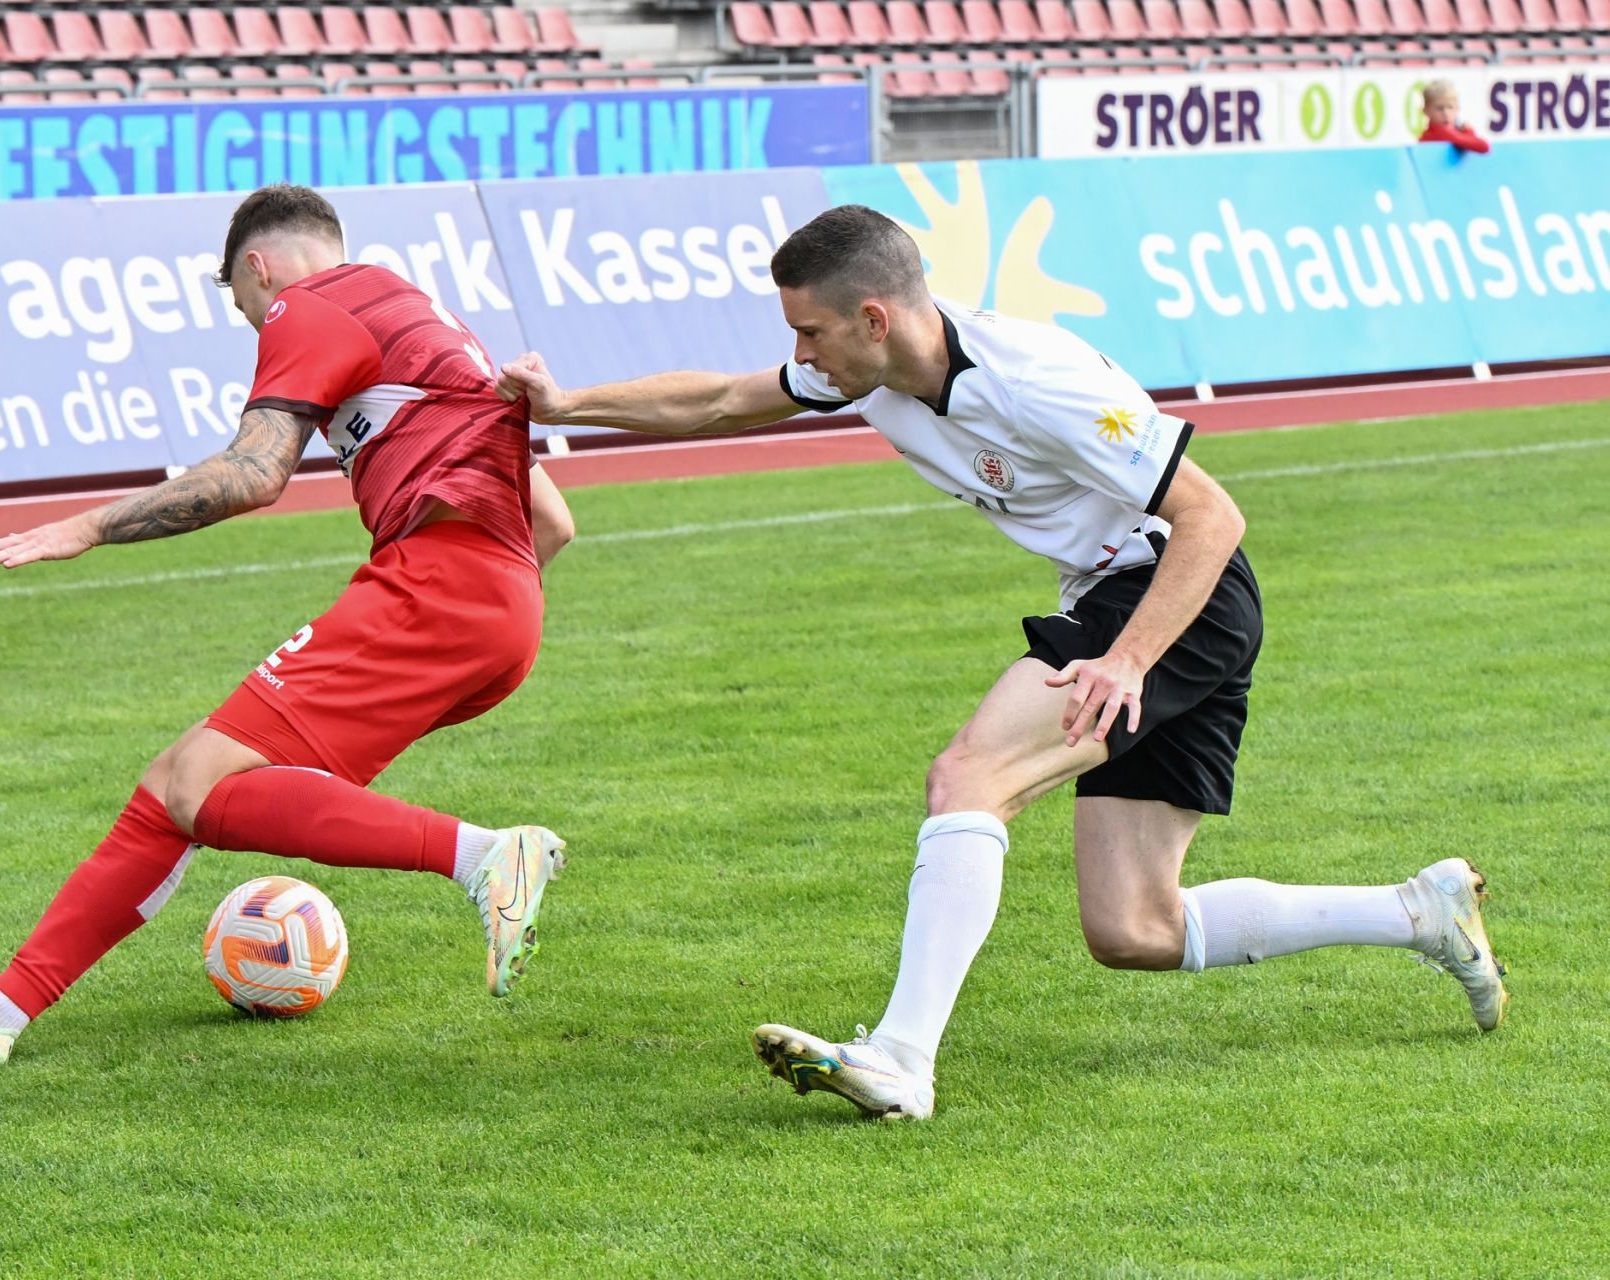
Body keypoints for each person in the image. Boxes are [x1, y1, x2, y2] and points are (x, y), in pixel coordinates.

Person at [496, 204, 1508, 1121]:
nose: (799, 353)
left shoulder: (1036, 380)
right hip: (1128, 602)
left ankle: (901, 1059)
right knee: (1136, 927)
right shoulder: (870, 369)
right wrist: (566, 401)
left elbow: (1213, 515)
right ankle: (1420, 912)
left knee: (967, 776)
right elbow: (721, 399)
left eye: (810, 331)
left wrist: (1126, 660)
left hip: (1170, 598)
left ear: (875, 318)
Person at [0, 184, 573, 1066]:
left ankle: (486, 856)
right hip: (502, 608)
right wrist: (485, 605)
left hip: (439, 590)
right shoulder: (420, 317)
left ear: (258, 269)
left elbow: (254, 472)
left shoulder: (309, 307)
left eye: (243, 305)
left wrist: (89, 526)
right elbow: (555, 523)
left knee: (194, 783)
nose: (255, 323)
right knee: (179, 787)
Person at [1418, 80, 1490, 153]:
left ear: (1457, 108)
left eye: (1450, 107)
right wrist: (1468, 131)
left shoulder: (1451, 132)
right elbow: (1484, 146)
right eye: (1439, 108)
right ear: (1426, 111)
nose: (1446, 113)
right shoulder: (1441, 132)